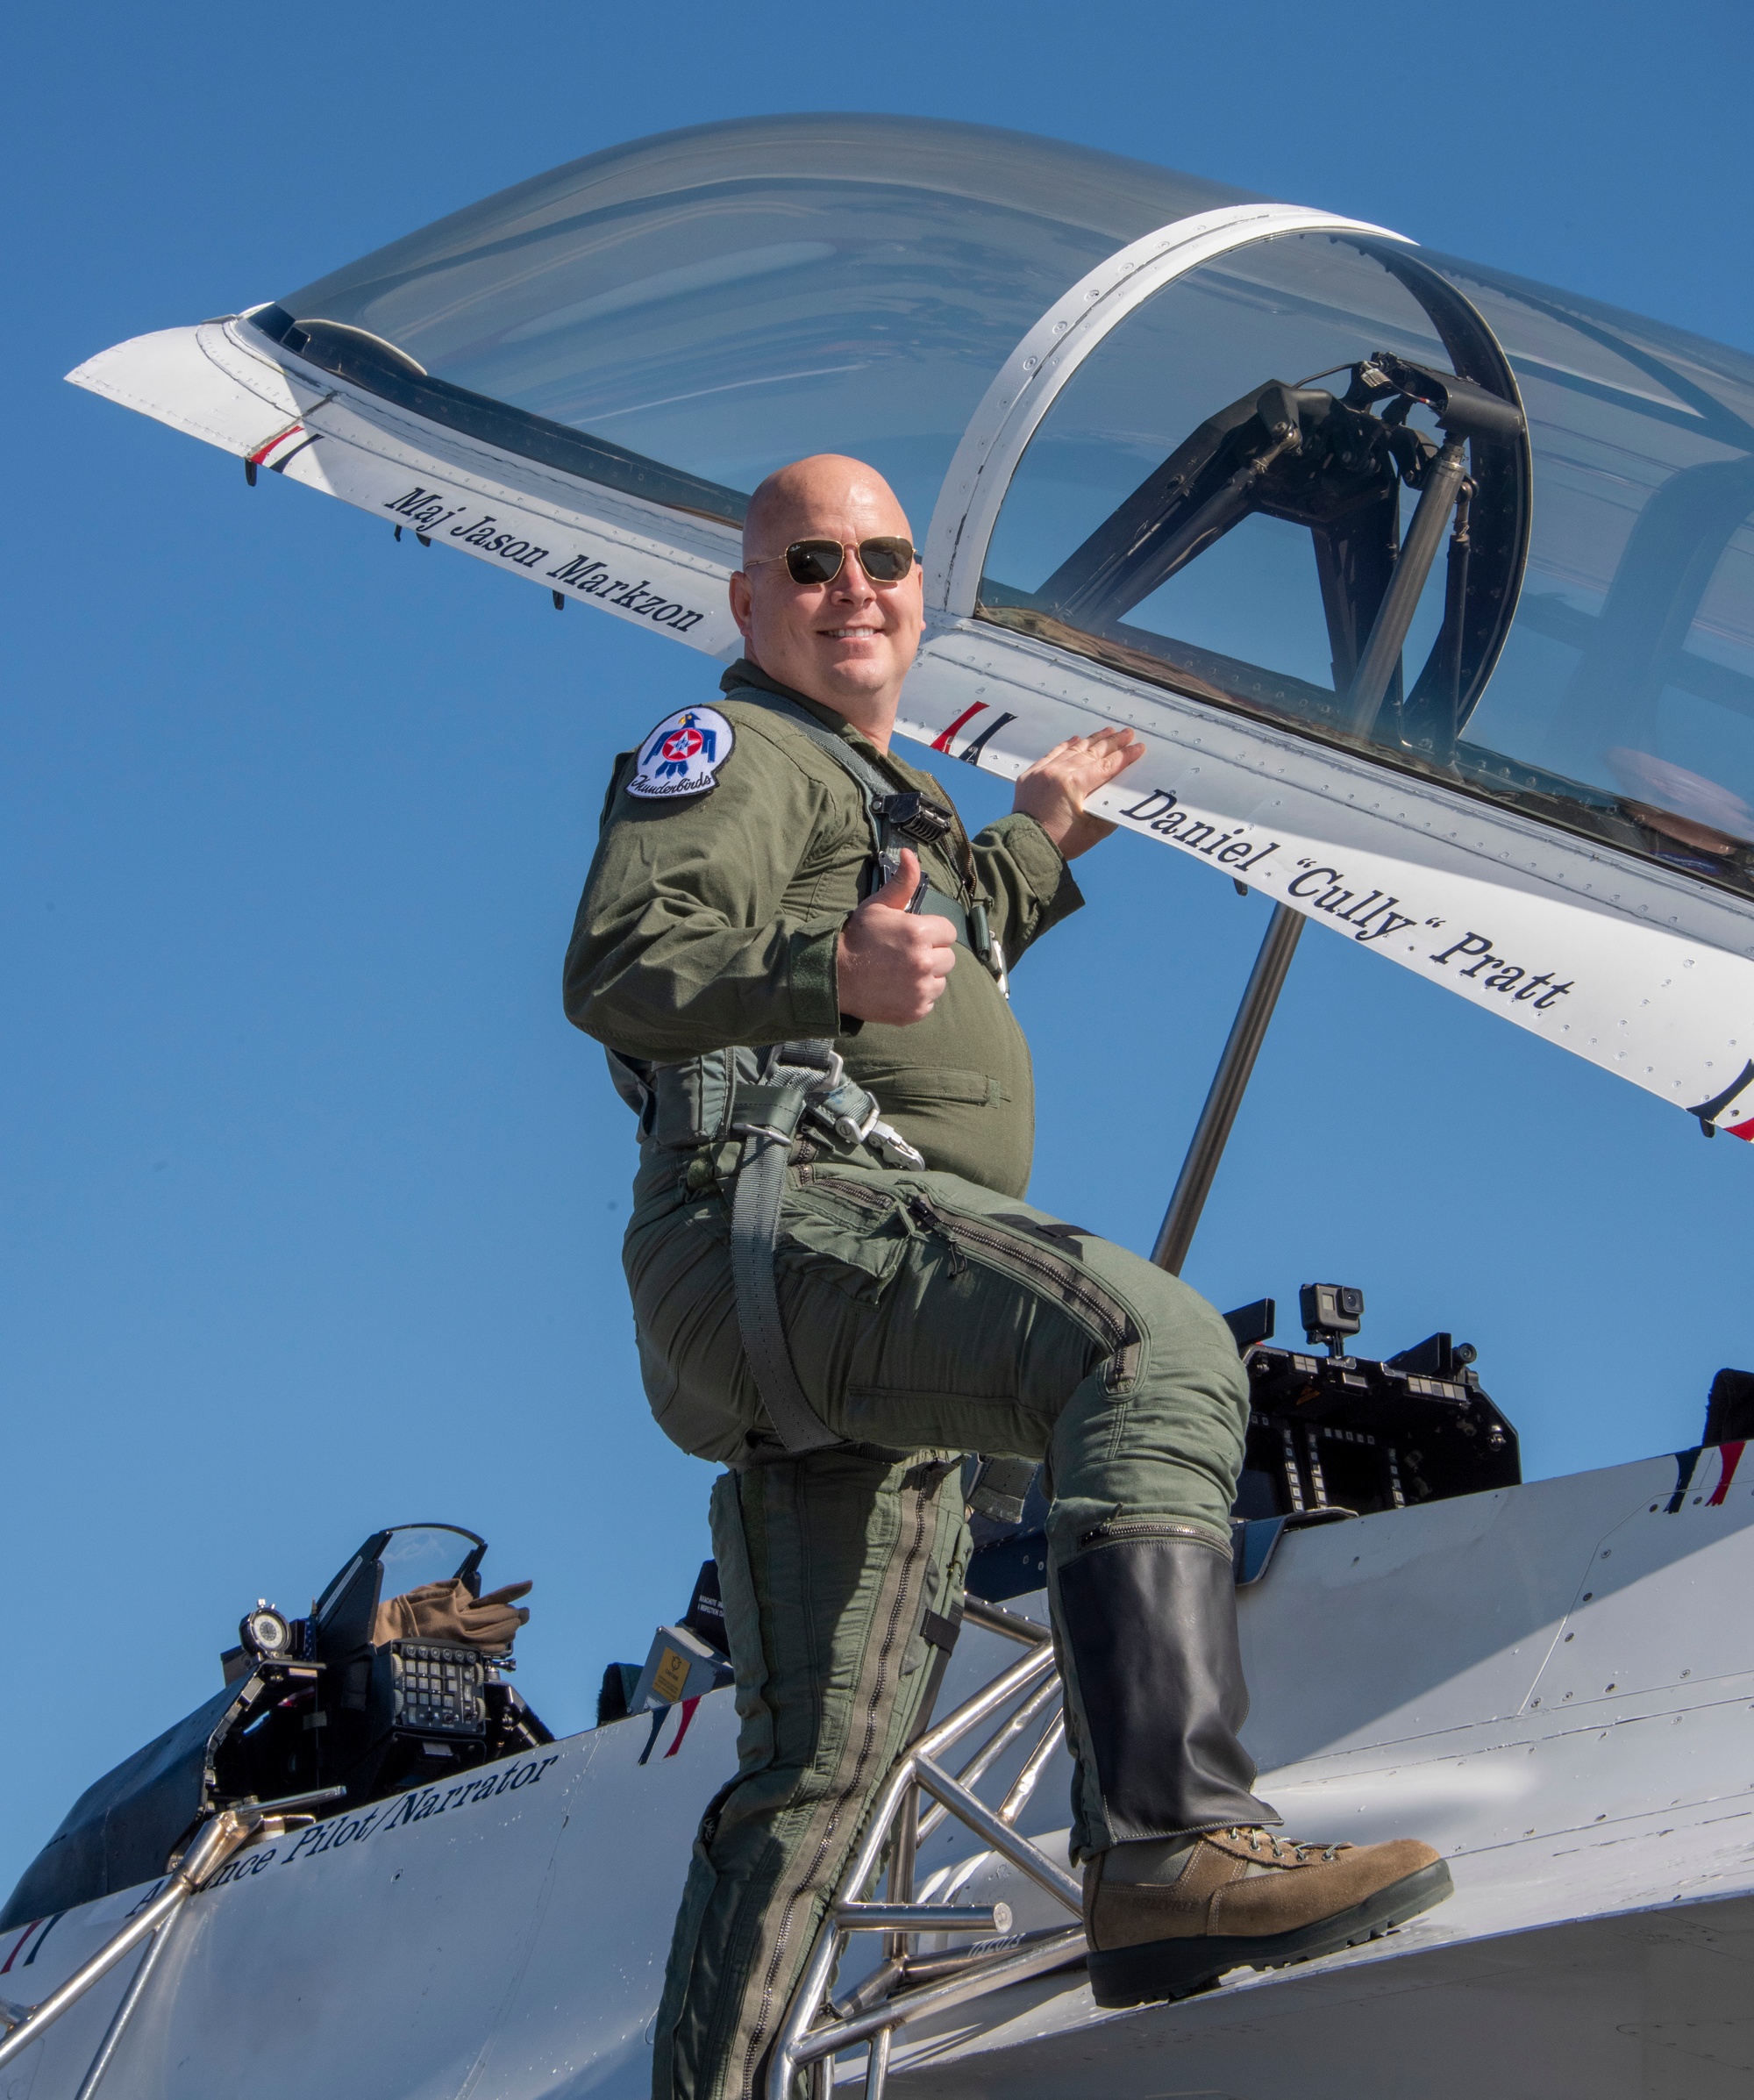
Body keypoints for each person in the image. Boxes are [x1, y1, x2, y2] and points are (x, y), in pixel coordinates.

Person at [565, 454, 1450, 2100]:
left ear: (921, 590)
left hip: (819, 1288)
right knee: (1149, 1344)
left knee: (826, 1759)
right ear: (747, 602)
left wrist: (1036, 836)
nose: (853, 587)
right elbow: (625, 958)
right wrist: (825, 965)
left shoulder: (880, 801)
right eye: (810, 564)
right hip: (786, 1224)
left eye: (884, 558)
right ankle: (1171, 1841)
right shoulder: (742, 750)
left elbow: (944, 937)